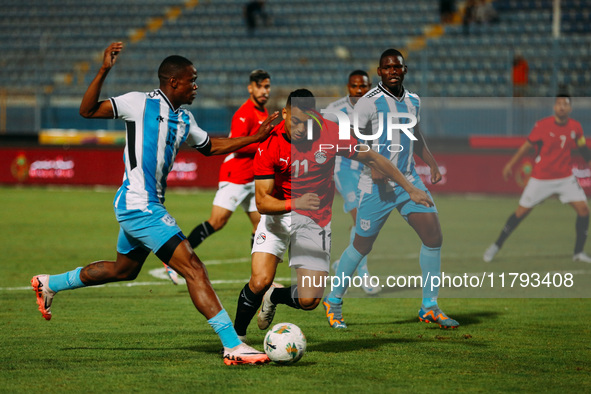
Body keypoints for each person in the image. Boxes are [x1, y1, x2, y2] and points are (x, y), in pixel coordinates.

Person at [30, 42, 280, 365]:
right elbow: (87, 110)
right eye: (192, 80)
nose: (196, 86)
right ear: (174, 82)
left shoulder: (185, 119)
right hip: (140, 205)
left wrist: (254, 138)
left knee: (124, 270)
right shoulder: (138, 103)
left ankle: (48, 284)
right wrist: (104, 69)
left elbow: (211, 146)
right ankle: (233, 345)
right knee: (194, 268)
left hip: (141, 205)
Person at [232, 89, 434, 340]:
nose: (299, 129)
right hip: (278, 215)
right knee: (260, 280)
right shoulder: (269, 143)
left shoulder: (330, 133)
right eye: (294, 121)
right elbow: (262, 202)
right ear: (285, 113)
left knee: (309, 300)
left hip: (314, 221)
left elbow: (373, 158)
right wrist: (296, 202)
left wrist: (410, 188)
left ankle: (274, 296)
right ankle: (235, 341)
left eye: (305, 123)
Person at [324, 48, 460, 330]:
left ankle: (429, 306)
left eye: (397, 67)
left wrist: (432, 163)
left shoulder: (413, 101)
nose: (393, 71)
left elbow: (416, 134)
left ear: (404, 70)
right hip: (376, 186)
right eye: (387, 67)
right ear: (379, 72)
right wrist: (373, 167)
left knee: (433, 236)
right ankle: (333, 300)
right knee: (362, 244)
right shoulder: (368, 103)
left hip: (409, 178)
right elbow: (355, 141)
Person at [483, 95, 591, 263]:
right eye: (559, 104)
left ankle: (578, 253)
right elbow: (526, 146)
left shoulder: (576, 127)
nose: (562, 107)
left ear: (570, 109)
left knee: (584, 210)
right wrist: (510, 164)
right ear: (554, 107)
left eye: (565, 104)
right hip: (541, 178)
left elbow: (583, 149)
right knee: (520, 213)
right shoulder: (542, 125)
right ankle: (496, 245)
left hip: (565, 178)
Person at [186, 70, 271, 252]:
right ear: (250, 88)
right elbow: (237, 147)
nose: (264, 91)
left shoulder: (264, 113)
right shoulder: (245, 113)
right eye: (260, 86)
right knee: (217, 222)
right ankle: (173, 257)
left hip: (252, 178)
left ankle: (258, 278)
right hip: (236, 176)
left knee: (261, 226)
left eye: (267, 87)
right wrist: (264, 149)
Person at [324, 70, 380, 295]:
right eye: (355, 86)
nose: (359, 91)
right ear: (348, 86)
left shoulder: (377, 108)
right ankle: (363, 274)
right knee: (361, 219)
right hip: (344, 169)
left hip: (367, 171)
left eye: (364, 86)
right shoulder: (334, 110)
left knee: (366, 223)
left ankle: (344, 264)